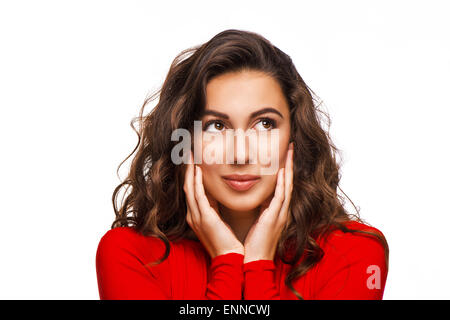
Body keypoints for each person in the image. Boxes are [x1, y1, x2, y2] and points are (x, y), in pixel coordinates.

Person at [95, 29, 389, 300]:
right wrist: (227, 263)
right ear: (185, 142)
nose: (240, 155)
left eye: (264, 124)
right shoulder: (129, 254)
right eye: (216, 126)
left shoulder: (355, 253)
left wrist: (258, 266)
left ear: (294, 137)